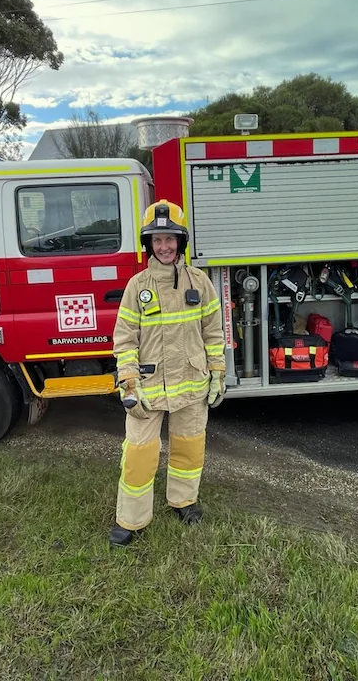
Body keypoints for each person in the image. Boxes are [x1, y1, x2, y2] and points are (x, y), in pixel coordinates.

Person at [109, 200, 226, 547]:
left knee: (189, 448)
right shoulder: (137, 287)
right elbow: (124, 339)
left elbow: (214, 333)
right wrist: (128, 381)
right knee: (140, 453)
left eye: (170, 239)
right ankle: (131, 520)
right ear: (149, 244)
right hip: (148, 388)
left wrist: (217, 372)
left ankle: (183, 501)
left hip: (192, 384)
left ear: (181, 242)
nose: (164, 246)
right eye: (157, 240)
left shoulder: (200, 282)